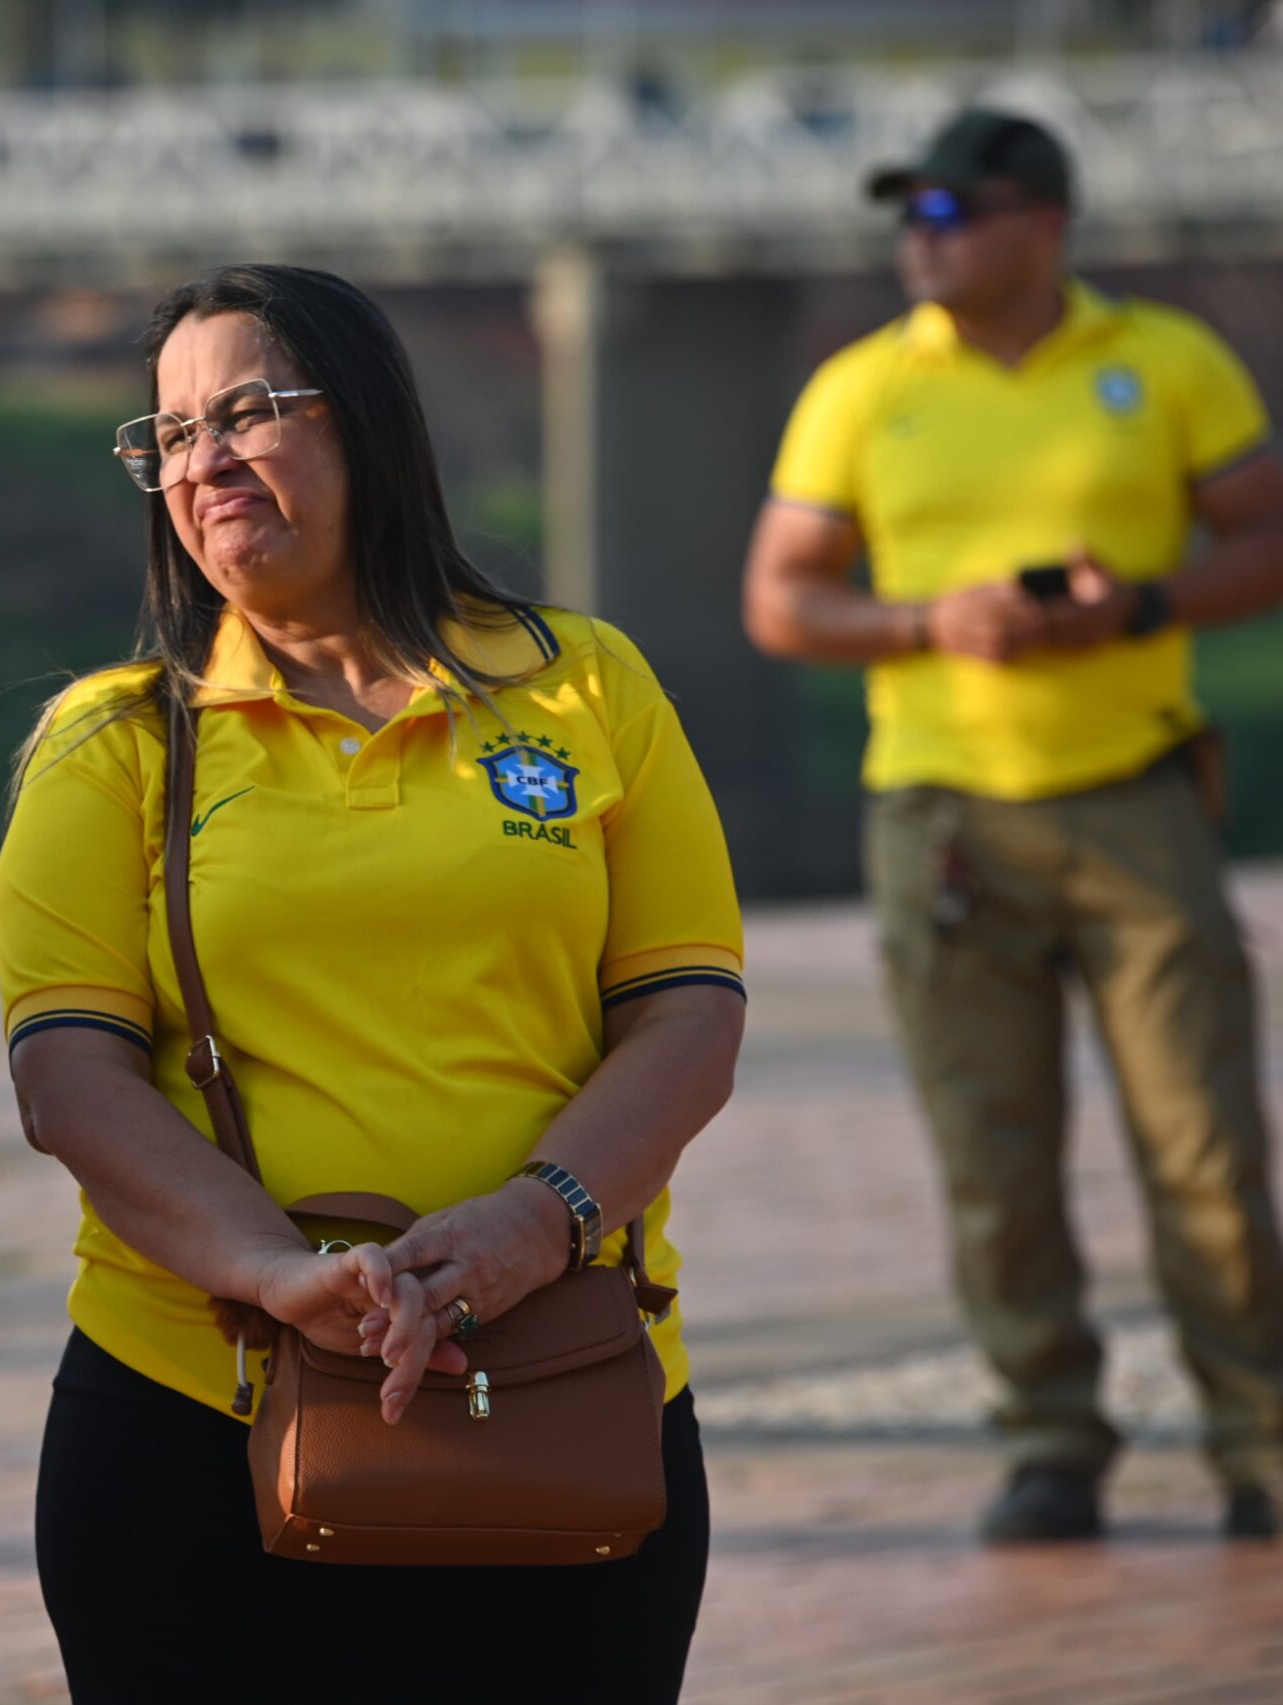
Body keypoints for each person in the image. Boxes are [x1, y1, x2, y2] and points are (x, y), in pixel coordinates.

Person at [0, 263, 746, 1700]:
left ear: (372, 427)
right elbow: (70, 1081)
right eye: (168, 434)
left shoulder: (583, 686)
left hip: (563, 1398)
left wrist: (541, 1223)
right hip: (194, 1429)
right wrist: (284, 1277)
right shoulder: (115, 746)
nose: (202, 460)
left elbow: (688, 1012)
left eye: (248, 412)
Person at [743, 109, 1283, 1544]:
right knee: (994, 1158)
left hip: (1139, 798)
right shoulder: (861, 389)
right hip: (942, 819)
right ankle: (1050, 1436)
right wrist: (933, 619)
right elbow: (783, 597)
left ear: (1043, 222)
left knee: (1209, 1154)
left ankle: (1260, 1444)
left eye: (953, 210)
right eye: (909, 213)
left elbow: (1264, 537)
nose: (923, 235)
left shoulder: (1164, 361)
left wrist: (1142, 606)